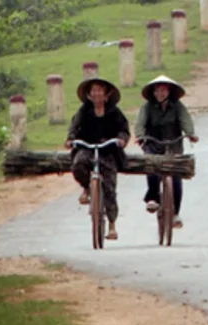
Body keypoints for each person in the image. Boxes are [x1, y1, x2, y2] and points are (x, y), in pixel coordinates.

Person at [66, 78, 130, 241]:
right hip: (87, 148)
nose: (97, 94)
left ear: (106, 94)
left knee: (109, 186)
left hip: (107, 151)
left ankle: (112, 225)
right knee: (78, 164)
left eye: (100, 90)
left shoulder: (114, 112)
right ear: (89, 94)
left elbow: (124, 129)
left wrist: (122, 139)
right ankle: (87, 188)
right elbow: (74, 127)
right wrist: (71, 139)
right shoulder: (83, 111)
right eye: (93, 90)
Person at [134, 75, 198, 230]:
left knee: (176, 177)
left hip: (173, 144)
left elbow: (185, 120)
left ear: (169, 91)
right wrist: (140, 136)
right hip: (153, 143)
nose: (160, 93)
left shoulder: (178, 106)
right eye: (157, 90)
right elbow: (140, 124)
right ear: (154, 92)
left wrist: (190, 133)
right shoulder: (147, 107)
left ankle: (175, 213)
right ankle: (153, 197)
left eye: (163, 90)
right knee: (152, 166)